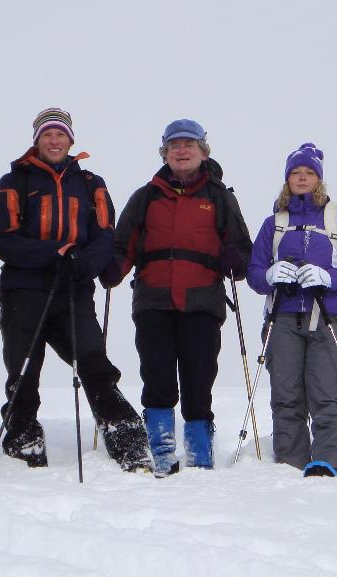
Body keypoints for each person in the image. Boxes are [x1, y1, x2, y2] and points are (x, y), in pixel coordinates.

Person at [0, 107, 151, 472]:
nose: (54, 140)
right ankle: (24, 439)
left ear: (70, 140)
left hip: (73, 291)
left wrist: (82, 263)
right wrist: (56, 252)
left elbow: (105, 235)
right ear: (36, 140)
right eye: (47, 134)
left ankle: (126, 437)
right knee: (23, 370)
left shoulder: (92, 183)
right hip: (23, 291)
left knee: (94, 363)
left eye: (60, 134)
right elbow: (3, 238)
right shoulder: (14, 181)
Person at [102, 119, 252, 477]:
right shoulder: (146, 197)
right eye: (174, 145)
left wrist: (236, 260)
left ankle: (199, 453)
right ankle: (162, 451)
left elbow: (242, 249)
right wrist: (114, 269)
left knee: (199, 380)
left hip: (203, 302)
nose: (181, 151)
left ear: (203, 152)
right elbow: (124, 244)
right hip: (153, 301)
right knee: (158, 377)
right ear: (165, 153)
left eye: (189, 144)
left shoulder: (220, 197)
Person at [246, 143, 337, 477]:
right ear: (287, 179)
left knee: (328, 392)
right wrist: (270, 276)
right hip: (282, 318)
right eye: (296, 172)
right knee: (285, 395)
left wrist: (329, 277)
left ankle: (331, 462)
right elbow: (254, 272)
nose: (302, 178)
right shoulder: (274, 223)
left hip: (328, 316)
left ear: (319, 179)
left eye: (309, 172)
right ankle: (290, 464)